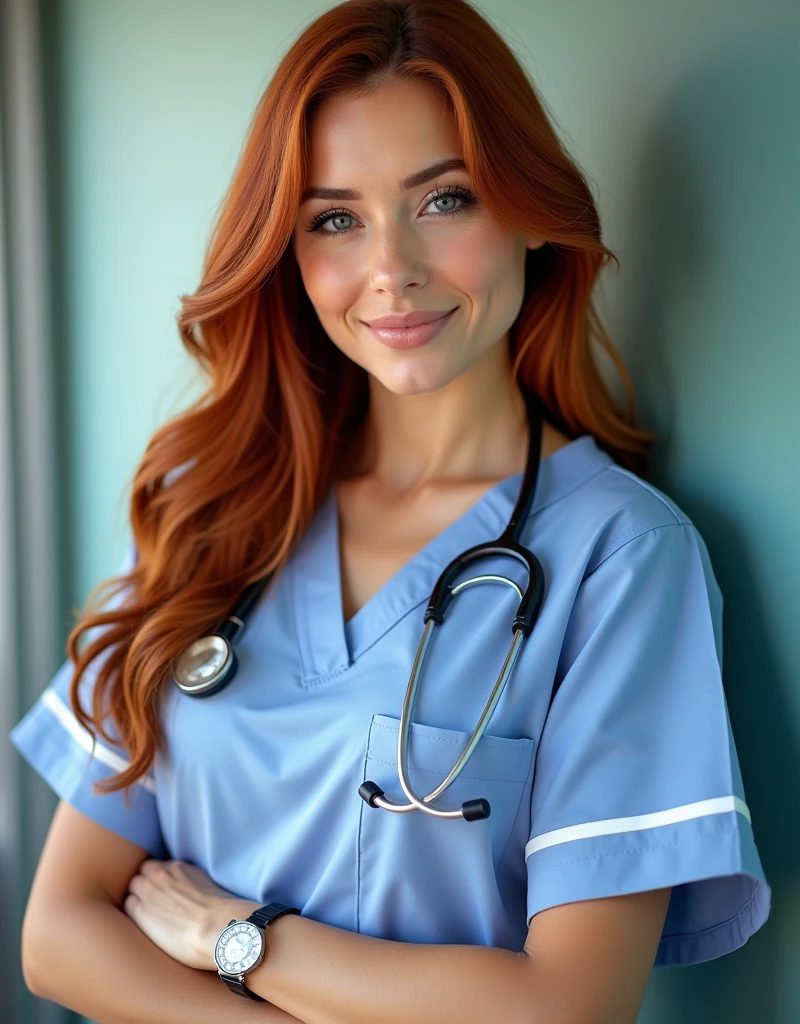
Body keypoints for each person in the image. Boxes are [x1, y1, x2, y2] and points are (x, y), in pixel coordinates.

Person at [11, 1, 770, 1021]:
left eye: (443, 200)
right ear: (288, 251)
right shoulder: (218, 514)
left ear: (528, 211)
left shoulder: (619, 557)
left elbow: (566, 1006)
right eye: (334, 219)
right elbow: (59, 934)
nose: (390, 270)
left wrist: (232, 935)